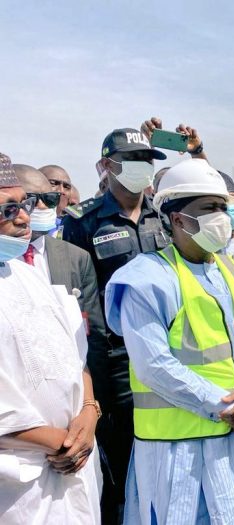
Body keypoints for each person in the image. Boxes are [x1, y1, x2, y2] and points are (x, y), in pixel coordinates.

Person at [104, 158, 234, 524]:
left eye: (222, 206)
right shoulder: (146, 279)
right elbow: (154, 366)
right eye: (209, 208)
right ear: (178, 219)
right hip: (176, 454)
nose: (221, 216)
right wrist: (230, 408)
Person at [60, 126, 168, 524]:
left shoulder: (163, 217)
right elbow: (78, 300)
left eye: (146, 161)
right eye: (132, 160)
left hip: (165, 356)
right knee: (120, 462)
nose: (141, 169)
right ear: (108, 166)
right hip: (116, 364)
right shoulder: (84, 222)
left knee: (162, 456)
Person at [0, 153, 101, 524]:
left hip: (74, 468)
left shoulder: (30, 275)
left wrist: (89, 413)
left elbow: (77, 358)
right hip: (18, 486)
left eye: (22, 205)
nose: (24, 218)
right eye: (7, 210)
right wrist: (57, 441)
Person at [15, 164, 111, 416]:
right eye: (34, 200)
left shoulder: (74, 258)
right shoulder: (8, 257)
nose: (44, 208)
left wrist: (91, 404)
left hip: (74, 399)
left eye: (50, 199)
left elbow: (93, 337)